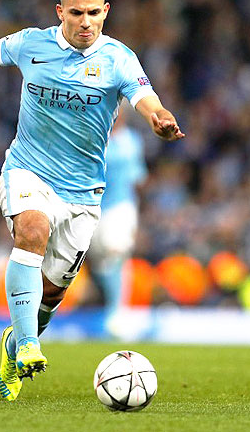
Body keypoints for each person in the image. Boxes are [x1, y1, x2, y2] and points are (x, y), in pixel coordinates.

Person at [0, 0, 184, 401]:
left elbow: (145, 99)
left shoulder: (119, 58)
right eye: (76, 12)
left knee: (49, 297)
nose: (86, 21)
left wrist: (160, 119)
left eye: (94, 12)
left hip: (83, 193)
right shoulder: (31, 43)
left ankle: (15, 342)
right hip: (28, 171)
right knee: (31, 230)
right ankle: (30, 346)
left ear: (106, 11)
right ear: (61, 12)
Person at [87, 104, 147, 336]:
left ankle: (118, 312)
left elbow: (137, 180)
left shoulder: (132, 141)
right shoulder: (93, 136)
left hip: (122, 205)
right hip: (94, 206)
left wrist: (137, 217)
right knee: (101, 260)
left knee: (117, 250)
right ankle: (107, 307)